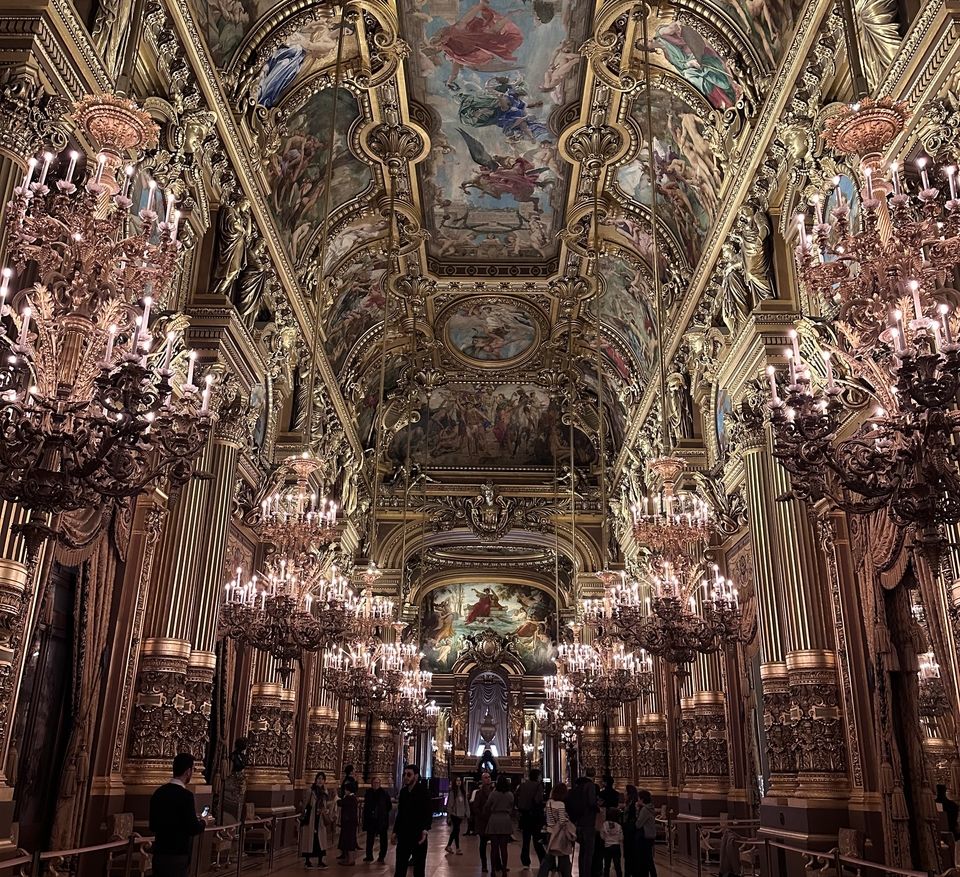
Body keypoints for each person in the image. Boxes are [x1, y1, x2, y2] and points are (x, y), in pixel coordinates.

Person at [148, 753, 208, 877]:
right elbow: (192, 828)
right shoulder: (186, 796)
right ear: (188, 772)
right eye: (193, 770)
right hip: (178, 854)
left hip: (159, 854)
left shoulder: (159, 793)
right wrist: (203, 822)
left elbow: (153, 825)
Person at [393, 764, 432, 877]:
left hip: (418, 835)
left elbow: (428, 812)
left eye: (409, 774)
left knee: (419, 869)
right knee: (400, 868)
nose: (406, 777)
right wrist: (395, 831)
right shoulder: (404, 792)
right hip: (404, 835)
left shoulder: (423, 791)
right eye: (404, 774)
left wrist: (425, 829)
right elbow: (400, 813)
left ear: (416, 776)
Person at [565, 771, 598, 877]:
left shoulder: (575, 788)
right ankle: (586, 874)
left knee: (581, 851)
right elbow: (592, 802)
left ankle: (580, 872)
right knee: (588, 852)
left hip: (578, 823)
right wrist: (597, 808)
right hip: (588, 822)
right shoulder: (590, 786)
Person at [538, 783, 573, 877]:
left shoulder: (549, 802)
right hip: (559, 833)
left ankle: (542, 874)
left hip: (550, 832)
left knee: (549, 855)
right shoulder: (560, 804)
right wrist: (567, 818)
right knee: (564, 856)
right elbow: (561, 821)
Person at [300, 771, 332, 869]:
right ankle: (307, 861)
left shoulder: (325, 792)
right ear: (315, 780)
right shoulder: (310, 790)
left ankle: (320, 861)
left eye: (322, 779)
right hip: (311, 818)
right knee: (309, 840)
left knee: (320, 840)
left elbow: (326, 803)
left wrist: (325, 810)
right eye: (318, 778)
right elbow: (306, 804)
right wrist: (303, 815)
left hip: (320, 819)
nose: (320, 781)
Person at [485, 774, 515, 877]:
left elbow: (487, 806)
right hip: (505, 820)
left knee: (494, 848)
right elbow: (512, 807)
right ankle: (504, 871)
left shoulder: (493, 794)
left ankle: (493, 871)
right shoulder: (510, 794)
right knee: (504, 848)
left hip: (494, 819)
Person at [516, 767, 546, 868]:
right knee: (537, 840)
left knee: (526, 840)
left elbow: (517, 796)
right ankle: (543, 860)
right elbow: (538, 799)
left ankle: (525, 861)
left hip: (524, 816)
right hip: (535, 816)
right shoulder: (538, 786)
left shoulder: (523, 785)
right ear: (537, 776)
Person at [363, 776, 392, 863]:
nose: (376, 784)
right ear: (372, 784)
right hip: (371, 819)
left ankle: (381, 856)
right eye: (374, 783)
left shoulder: (384, 793)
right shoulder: (368, 793)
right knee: (370, 838)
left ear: (380, 784)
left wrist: (382, 813)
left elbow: (389, 806)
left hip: (381, 819)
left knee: (383, 839)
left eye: (377, 783)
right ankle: (369, 856)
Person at [471, 770, 495, 872]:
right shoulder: (478, 793)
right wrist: (483, 815)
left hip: (493, 822)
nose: (488, 779)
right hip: (483, 822)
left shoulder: (494, 792)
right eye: (485, 777)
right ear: (482, 780)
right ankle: (484, 864)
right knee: (483, 844)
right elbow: (475, 807)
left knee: (495, 845)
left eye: (489, 777)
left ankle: (496, 864)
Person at [635, 789, 658, 877]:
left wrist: (637, 810)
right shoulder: (650, 807)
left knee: (646, 859)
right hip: (650, 836)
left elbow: (638, 824)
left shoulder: (645, 809)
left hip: (645, 836)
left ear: (642, 799)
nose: (637, 800)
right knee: (648, 859)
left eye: (638, 798)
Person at [337, 783, 359, 865]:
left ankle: (350, 860)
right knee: (349, 841)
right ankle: (349, 859)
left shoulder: (350, 798)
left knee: (349, 841)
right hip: (351, 823)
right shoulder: (353, 798)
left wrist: (336, 796)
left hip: (349, 823)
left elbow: (340, 803)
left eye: (345, 790)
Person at [445, 776, 468, 854]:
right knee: (456, 830)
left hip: (461, 815)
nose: (459, 782)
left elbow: (466, 803)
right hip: (454, 814)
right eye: (457, 780)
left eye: (460, 780)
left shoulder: (463, 792)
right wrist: (448, 816)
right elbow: (450, 804)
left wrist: (467, 812)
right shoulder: (452, 792)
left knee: (456, 831)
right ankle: (457, 848)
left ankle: (449, 846)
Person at [601, 807, 624, 877]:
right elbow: (621, 838)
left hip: (607, 847)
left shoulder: (604, 824)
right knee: (617, 866)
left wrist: (607, 839)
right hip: (616, 847)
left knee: (607, 866)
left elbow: (602, 835)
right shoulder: (619, 826)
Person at [622, 785, 639, 877]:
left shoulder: (633, 805)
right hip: (628, 832)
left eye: (625, 792)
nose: (624, 793)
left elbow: (633, 819)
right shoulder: (628, 804)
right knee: (628, 855)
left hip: (631, 833)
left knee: (631, 855)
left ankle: (630, 872)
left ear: (629, 794)